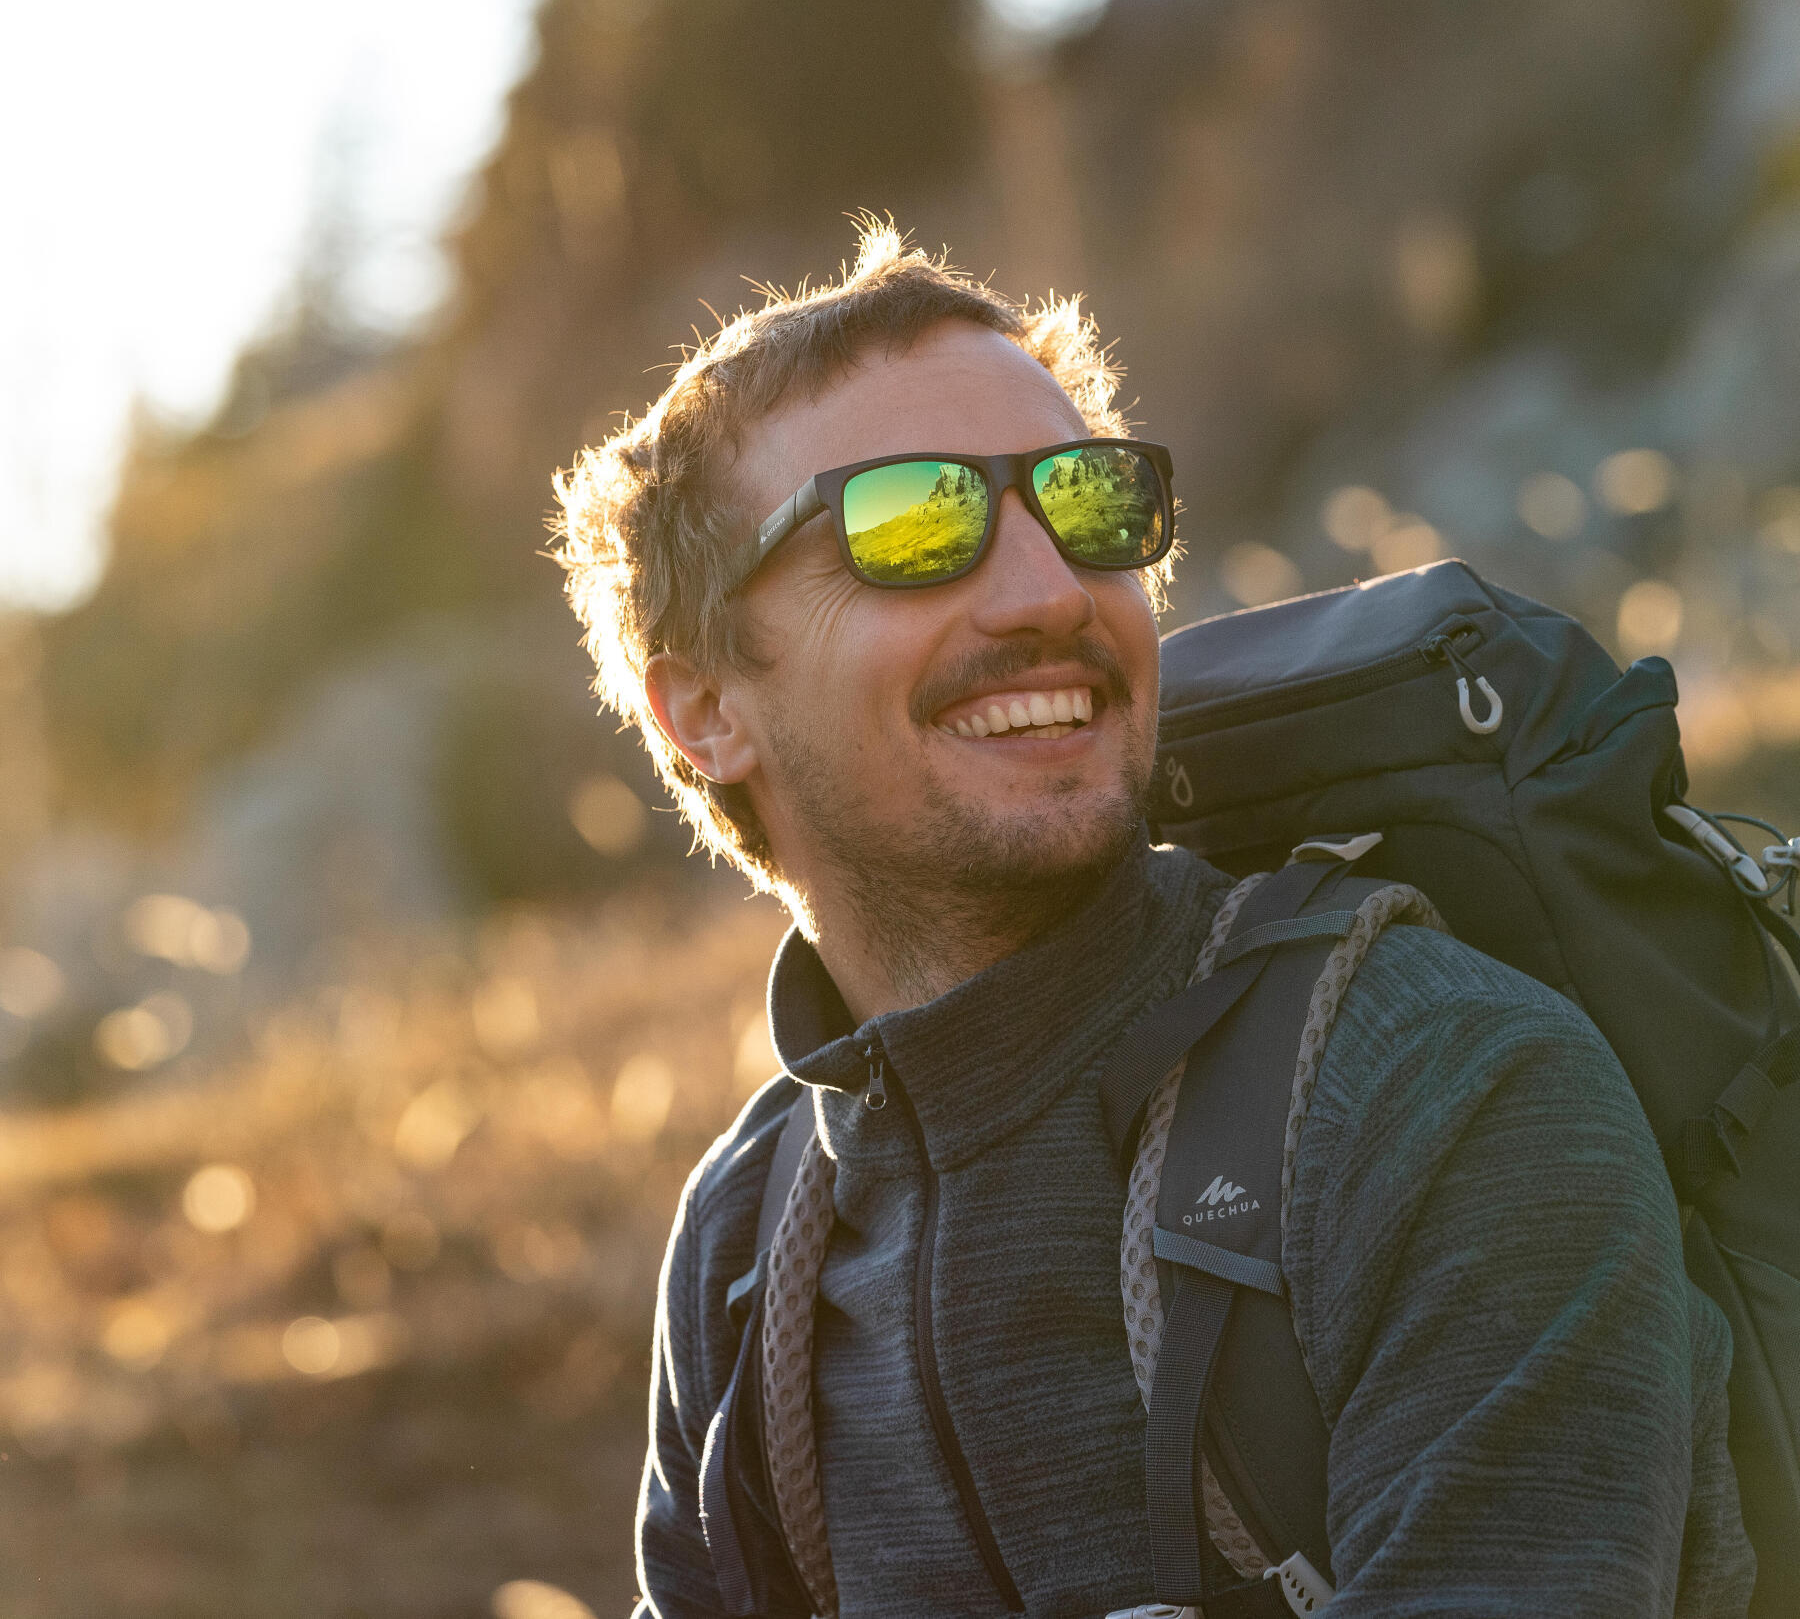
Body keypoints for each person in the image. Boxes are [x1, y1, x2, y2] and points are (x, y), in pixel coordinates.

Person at [552, 222, 1754, 1618]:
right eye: (910, 521)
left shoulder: (1438, 1087)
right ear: (702, 710)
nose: (1053, 591)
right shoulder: (746, 1248)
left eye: (1089, 505)